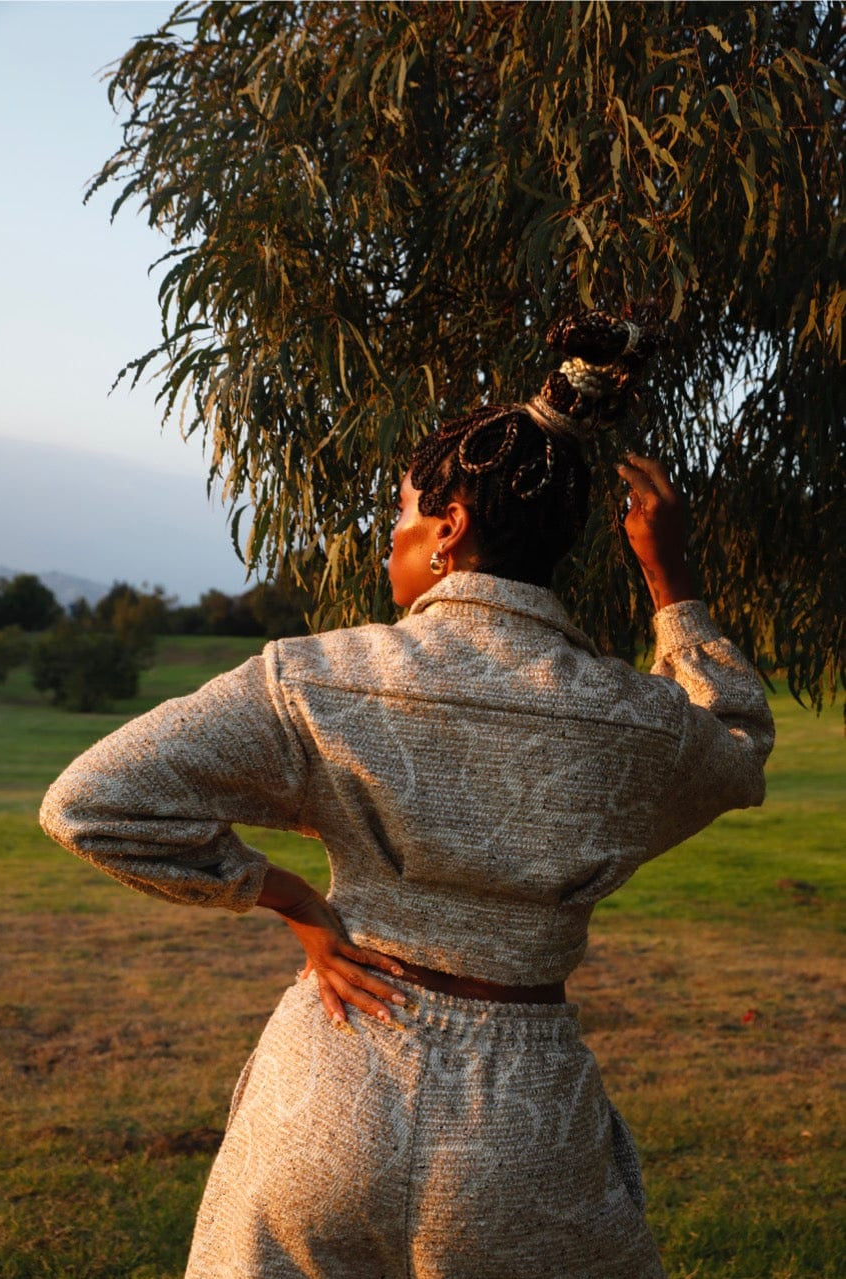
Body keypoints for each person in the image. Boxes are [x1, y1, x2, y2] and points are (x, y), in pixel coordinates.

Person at [40, 310, 775, 1279]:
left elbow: (90, 801)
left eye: (398, 519)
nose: (388, 542)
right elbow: (736, 743)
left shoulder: (316, 677)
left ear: (449, 530)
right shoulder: (631, 718)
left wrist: (289, 896)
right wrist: (670, 581)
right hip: (523, 1134)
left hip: (328, 1091)